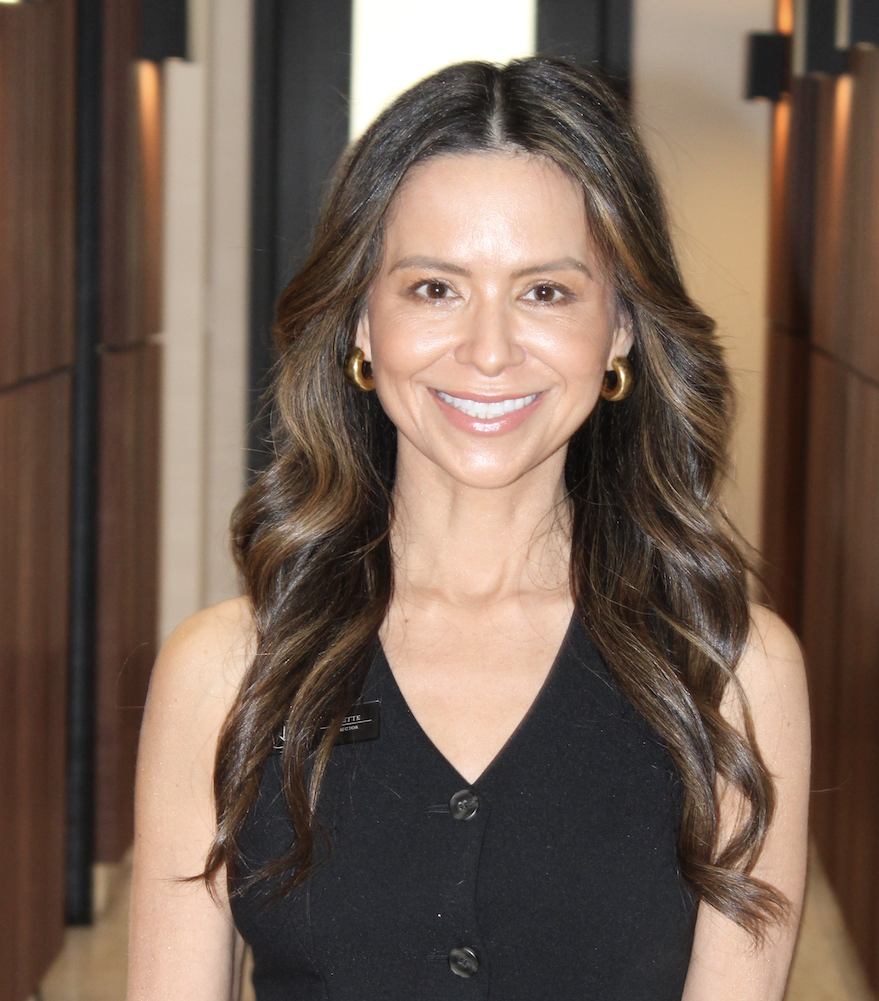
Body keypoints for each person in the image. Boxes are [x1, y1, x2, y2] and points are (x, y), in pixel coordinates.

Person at [128, 58, 810, 1001]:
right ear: (362, 321)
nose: (488, 351)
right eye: (434, 289)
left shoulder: (730, 671)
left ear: (621, 330)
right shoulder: (224, 669)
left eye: (546, 292)